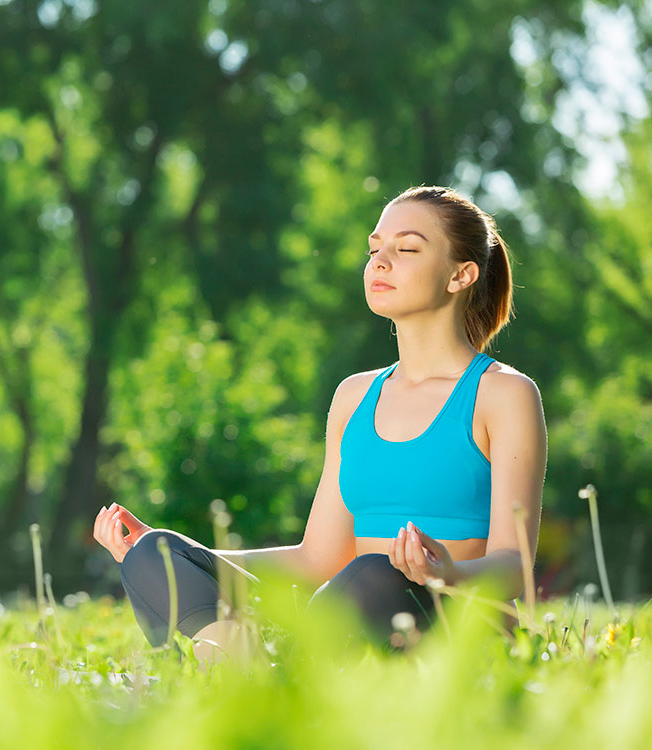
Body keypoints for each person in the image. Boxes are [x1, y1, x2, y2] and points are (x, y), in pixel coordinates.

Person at [93, 184, 548, 667]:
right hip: (341, 611)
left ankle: (274, 673)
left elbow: (513, 564)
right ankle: (235, 668)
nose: (380, 261)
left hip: (449, 625)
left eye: (407, 248)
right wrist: (192, 555)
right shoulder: (354, 397)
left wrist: (447, 573)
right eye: (375, 249)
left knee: (374, 573)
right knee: (155, 552)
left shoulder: (504, 394)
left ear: (462, 274)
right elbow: (317, 559)